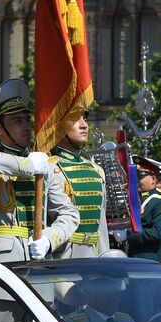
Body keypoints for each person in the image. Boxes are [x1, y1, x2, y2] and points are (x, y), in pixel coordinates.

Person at [0, 78, 79, 321]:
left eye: (26, 120)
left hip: (41, 269)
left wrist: (50, 239)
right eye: (16, 121)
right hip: (5, 268)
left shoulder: (44, 167)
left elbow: (71, 214)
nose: (26, 127)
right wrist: (29, 165)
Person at [51, 111, 107, 259]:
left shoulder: (96, 171)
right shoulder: (50, 168)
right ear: (59, 127)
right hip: (63, 255)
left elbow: (101, 226)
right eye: (75, 119)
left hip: (93, 255)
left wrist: (105, 258)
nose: (84, 125)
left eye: (85, 119)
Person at [121, 156, 161, 262]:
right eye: (134, 176)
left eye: (140, 176)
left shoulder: (160, 201)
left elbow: (159, 232)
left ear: (153, 179)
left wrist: (128, 235)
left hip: (147, 259)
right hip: (128, 257)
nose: (135, 180)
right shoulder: (132, 200)